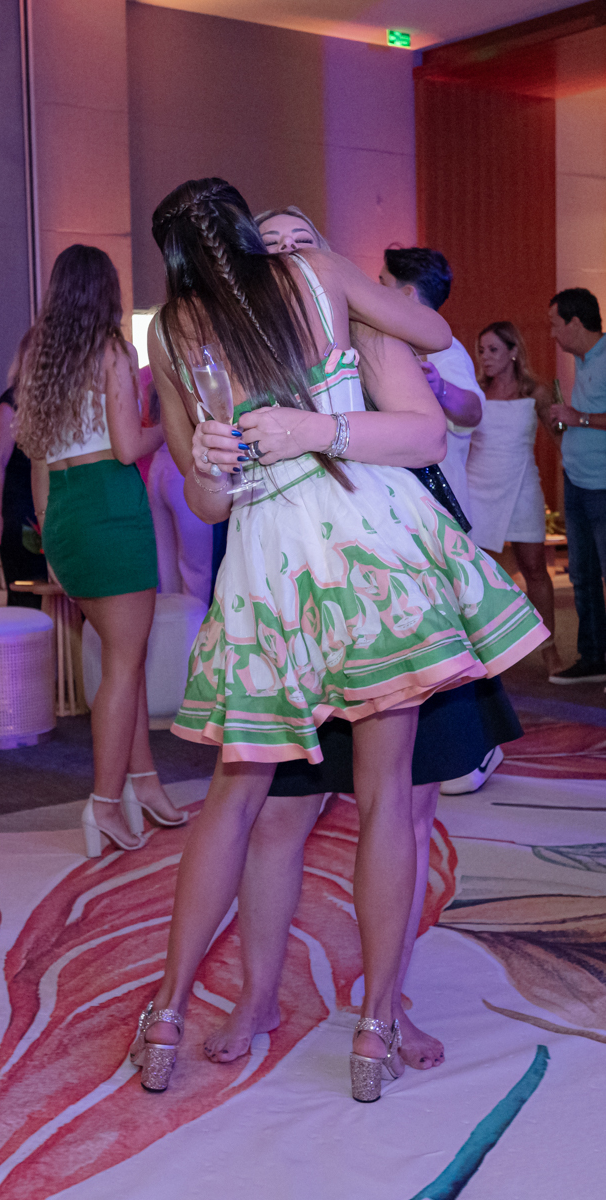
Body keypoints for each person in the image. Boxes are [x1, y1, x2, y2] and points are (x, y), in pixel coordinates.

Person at [129, 177, 546, 1102]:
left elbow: (426, 416)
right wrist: (211, 469)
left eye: (299, 237)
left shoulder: (273, 297)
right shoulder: (215, 320)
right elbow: (205, 498)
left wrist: (310, 425)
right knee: (292, 806)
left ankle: (363, 1014)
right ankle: (312, 1015)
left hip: (346, 564)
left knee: (387, 800)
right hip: (308, 570)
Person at [14, 244, 188, 855]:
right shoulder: (113, 350)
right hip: (111, 507)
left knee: (125, 660)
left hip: (65, 512)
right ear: (106, 291)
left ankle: (143, 784)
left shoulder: (38, 352)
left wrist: (50, 538)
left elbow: (37, 457)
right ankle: (105, 803)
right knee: (123, 665)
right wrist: (173, 427)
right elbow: (126, 447)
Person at [466, 322, 561, 678]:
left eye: (493, 350)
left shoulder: (536, 392)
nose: (485, 357)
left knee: (535, 567)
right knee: (478, 572)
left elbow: (560, 437)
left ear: (513, 351)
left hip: (522, 483)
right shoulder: (475, 392)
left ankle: (550, 649)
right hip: (478, 487)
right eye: (481, 351)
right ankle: (485, 650)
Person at [377, 247, 483, 521]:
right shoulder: (394, 344)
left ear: (408, 294)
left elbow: (473, 412)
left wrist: (440, 388)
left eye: (382, 283)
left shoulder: (445, 350)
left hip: (438, 508)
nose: (375, 292)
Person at [548, 288, 606, 685]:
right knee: (582, 576)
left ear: (575, 322)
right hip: (577, 480)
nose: (553, 334)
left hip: (602, 485)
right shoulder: (582, 359)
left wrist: (578, 418)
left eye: (555, 325)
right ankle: (593, 657)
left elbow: (587, 416)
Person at [0, 333, 48, 607]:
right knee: (26, 595)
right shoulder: (11, 403)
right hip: (21, 510)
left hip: (49, 507)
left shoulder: (54, 401)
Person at [140, 366, 214, 606]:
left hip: (158, 467)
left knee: (165, 565)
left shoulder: (151, 376)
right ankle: (196, 626)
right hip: (183, 466)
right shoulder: (192, 373)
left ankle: (173, 626)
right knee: (196, 569)